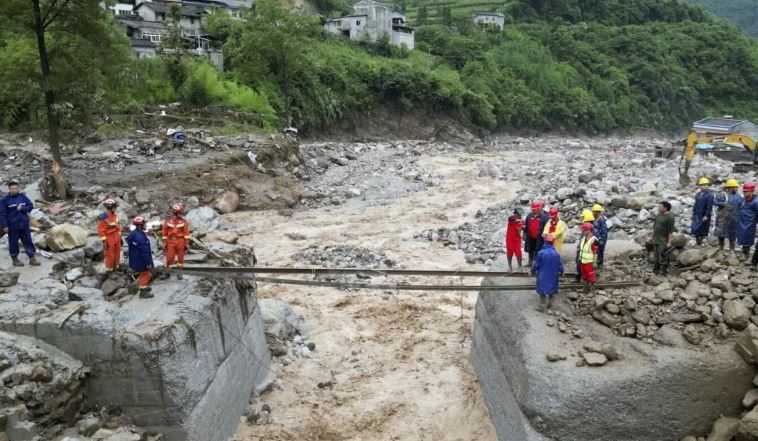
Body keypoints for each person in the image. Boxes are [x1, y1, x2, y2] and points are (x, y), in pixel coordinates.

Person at [0, 181, 40, 267]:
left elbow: (30, 206)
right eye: (12, 189)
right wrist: (5, 226)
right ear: (9, 189)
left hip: (24, 224)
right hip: (12, 225)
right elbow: (2, 214)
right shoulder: (4, 200)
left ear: (18, 188)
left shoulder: (23, 197)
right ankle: (15, 259)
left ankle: (32, 258)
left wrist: (23, 208)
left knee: (28, 241)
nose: (14, 190)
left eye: (15, 188)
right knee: (13, 243)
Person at [531, 234, 563, 312]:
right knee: (552, 290)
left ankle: (542, 305)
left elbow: (536, 264)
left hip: (543, 275)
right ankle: (549, 305)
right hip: (553, 276)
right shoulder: (556, 254)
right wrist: (562, 272)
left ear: (545, 241)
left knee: (542, 290)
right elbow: (560, 265)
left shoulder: (541, 253)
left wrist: (532, 271)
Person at [127, 216, 154, 298]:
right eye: (144, 224)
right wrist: (148, 264)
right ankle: (143, 292)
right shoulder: (140, 238)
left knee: (144, 273)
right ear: (140, 225)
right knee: (146, 274)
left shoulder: (134, 233)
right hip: (141, 261)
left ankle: (144, 286)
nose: (146, 225)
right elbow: (144, 253)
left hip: (134, 259)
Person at [162, 203, 190, 279]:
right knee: (170, 258)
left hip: (180, 241)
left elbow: (186, 233)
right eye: (179, 212)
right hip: (170, 241)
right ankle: (168, 272)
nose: (181, 214)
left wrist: (186, 243)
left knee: (180, 258)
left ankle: (179, 273)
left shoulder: (184, 222)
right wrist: (164, 243)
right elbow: (164, 233)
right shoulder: (167, 221)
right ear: (175, 212)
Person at [714, 179, 742, 253]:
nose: (737, 188)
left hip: (733, 218)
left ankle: (732, 248)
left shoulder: (739, 197)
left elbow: (741, 207)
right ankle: (721, 246)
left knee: (732, 233)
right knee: (721, 232)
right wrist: (722, 203)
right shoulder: (722, 195)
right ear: (730, 187)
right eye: (735, 187)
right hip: (722, 217)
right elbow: (714, 201)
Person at [97, 198, 122, 272]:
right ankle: (109, 269)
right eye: (114, 207)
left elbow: (118, 227)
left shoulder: (115, 216)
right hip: (109, 238)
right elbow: (101, 231)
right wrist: (104, 242)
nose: (116, 209)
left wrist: (120, 238)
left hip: (116, 236)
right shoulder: (103, 218)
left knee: (117, 252)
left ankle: (116, 266)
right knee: (110, 254)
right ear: (110, 208)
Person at [737, 182, 758, 266]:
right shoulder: (743, 200)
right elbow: (739, 207)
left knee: (748, 239)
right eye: (744, 191)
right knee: (742, 238)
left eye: (746, 191)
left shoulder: (756, 202)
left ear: (751, 191)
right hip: (742, 221)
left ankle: (747, 254)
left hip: (750, 223)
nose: (744, 193)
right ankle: (744, 252)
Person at [652, 201, 675, 275]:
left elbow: (670, 231)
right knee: (656, 255)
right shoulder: (658, 215)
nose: (659, 208)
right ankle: (656, 270)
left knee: (663, 255)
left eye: (660, 207)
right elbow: (655, 226)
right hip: (656, 239)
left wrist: (669, 242)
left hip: (663, 240)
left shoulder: (670, 217)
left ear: (665, 208)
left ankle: (664, 271)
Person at [524, 201, 549, 266]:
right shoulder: (529, 216)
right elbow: (526, 225)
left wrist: (546, 237)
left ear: (538, 209)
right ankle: (530, 262)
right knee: (530, 249)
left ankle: (537, 264)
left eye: (535, 209)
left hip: (539, 237)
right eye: (532, 209)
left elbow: (546, 228)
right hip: (530, 236)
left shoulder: (544, 217)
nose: (533, 210)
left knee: (538, 250)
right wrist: (524, 234)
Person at [691, 177, 714, 245]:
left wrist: (706, 215)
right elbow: (696, 204)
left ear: (707, 185)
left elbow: (709, 206)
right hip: (697, 214)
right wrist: (693, 212)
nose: (703, 186)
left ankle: (700, 243)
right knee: (695, 229)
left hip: (704, 214)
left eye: (704, 185)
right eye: (701, 185)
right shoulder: (698, 194)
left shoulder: (710, 195)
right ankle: (698, 243)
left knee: (702, 230)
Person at [577, 222, 598, 294]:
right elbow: (581, 249)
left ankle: (592, 291)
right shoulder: (583, 239)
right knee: (584, 276)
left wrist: (594, 262)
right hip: (583, 261)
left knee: (591, 277)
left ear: (589, 230)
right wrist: (579, 258)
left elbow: (595, 252)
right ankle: (585, 290)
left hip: (589, 262)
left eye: (584, 230)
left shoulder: (594, 240)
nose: (583, 231)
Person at [505, 207, 524, 271]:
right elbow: (510, 217)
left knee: (518, 252)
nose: (520, 216)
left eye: (520, 215)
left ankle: (520, 266)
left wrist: (522, 229)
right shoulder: (511, 219)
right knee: (509, 252)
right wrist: (517, 219)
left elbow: (523, 227)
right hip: (510, 239)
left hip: (517, 239)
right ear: (515, 214)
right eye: (518, 214)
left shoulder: (521, 220)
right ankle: (509, 266)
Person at [591, 204, 609, 268]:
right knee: (595, 251)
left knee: (600, 252)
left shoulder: (601, 220)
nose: (592, 212)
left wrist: (602, 240)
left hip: (601, 239)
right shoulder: (594, 219)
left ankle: (600, 264)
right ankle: (595, 263)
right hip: (595, 238)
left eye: (594, 211)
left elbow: (604, 231)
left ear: (598, 212)